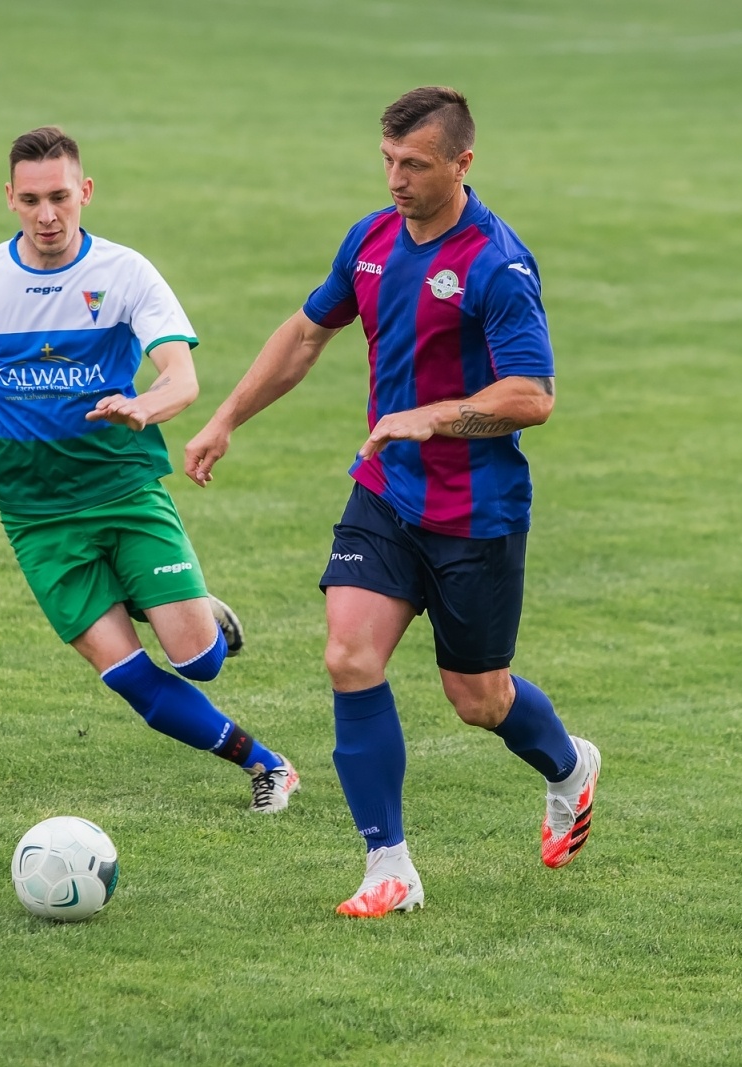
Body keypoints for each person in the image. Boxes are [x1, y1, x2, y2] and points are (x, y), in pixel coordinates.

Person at [185, 87, 601, 918]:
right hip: (384, 492)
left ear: (462, 164)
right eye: (387, 160)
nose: (396, 179)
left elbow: (535, 395)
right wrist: (226, 416)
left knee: (478, 699)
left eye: (414, 164)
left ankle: (570, 767)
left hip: (475, 515)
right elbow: (307, 334)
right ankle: (389, 866)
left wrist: (433, 418)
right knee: (348, 657)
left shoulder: (496, 263)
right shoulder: (371, 239)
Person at [0, 126, 298, 813]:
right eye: (31, 199)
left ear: (84, 192)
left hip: (122, 488)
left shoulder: (125, 273)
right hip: (35, 514)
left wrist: (144, 407)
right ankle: (268, 764)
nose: (47, 215)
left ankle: (188, 609)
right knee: (127, 676)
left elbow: (181, 378)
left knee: (199, 661)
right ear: (9, 198)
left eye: (60, 196)